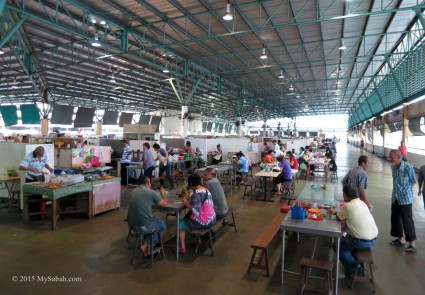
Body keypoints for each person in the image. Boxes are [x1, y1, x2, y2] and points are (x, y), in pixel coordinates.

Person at [335, 184, 378, 276]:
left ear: (344, 196)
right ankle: (357, 263)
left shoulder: (348, 206)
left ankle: (354, 267)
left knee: (338, 246)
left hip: (362, 241)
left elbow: (338, 217)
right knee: (348, 238)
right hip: (373, 239)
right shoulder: (362, 203)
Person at [127, 176, 167, 257]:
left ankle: (148, 245)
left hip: (132, 226)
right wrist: (163, 193)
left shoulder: (132, 191)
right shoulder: (151, 192)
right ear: (148, 183)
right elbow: (164, 204)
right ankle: (147, 246)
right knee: (162, 225)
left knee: (154, 220)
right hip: (144, 226)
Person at [177, 174, 216, 254]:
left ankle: (182, 248)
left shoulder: (196, 194)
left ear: (191, 184)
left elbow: (196, 211)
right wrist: (189, 202)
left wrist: (186, 204)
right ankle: (197, 240)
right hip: (212, 219)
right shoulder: (205, 190)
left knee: (180, 223)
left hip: (204, 222)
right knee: (189, 215)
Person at [388, 149, 417, 253]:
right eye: (390, 157)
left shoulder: (408, 167)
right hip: (395, 197)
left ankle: (412, 243)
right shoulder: (393, 167)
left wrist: (406, 191)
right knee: (395, 219)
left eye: (392, 157)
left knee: (407, 220)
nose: (390, 158)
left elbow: (413, 181)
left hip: (405, 199)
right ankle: (401, 239)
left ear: (399, 158)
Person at [19, 146, 54, 216]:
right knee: (32, 196)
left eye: (42, 154)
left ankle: (38, 213)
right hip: (31, 178)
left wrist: (50, 168)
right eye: (40, 154)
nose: (42, 155)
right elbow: (20, 167)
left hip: (40, 177)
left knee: (39, 195)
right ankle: (30, 214)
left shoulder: (44, 155)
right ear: (36, 152)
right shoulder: (29, 157)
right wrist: (32, 169)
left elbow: (45, 163)